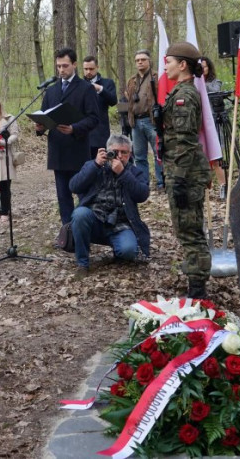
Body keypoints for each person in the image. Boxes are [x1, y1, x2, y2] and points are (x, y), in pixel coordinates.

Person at [162, 42, 212, 298]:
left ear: (182, 65)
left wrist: (180, 179)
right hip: (182, 172)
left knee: (191, 232)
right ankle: (195, 284)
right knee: (185, 229)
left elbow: (186, 140)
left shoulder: (184, 96)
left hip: (186, 174)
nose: (165, 65)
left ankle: (198, 294)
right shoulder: (180, 92)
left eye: (168, 61)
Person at [69, 134, 150, 278]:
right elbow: (74, 186)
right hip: (95, 219)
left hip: (121, 223)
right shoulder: (94, 165)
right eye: (115, 152)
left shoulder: (134, 172)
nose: (119, 156)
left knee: (129, 251)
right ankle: (82, 263)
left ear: (129, 154)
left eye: (124, 152)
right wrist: (95, 165)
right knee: (80, 214)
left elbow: (142, 195)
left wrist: (123, 173)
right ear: (107, 152)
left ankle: (118, 249)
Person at [34, 47, 100, 227]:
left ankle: (84, 229)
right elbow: (45, 115)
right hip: (57, 150)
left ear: (74, 65)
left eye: (65, 66)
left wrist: (74, 128)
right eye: (58, 66)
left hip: (78, 149)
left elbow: (94, 118)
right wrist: (40, 127)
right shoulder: (51, 91)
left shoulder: (86, 88)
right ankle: (67, 232)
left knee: (82, 194)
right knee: (62, 196)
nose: (61, 70)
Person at [125, 49, 164, 189]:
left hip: (151, 120)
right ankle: (143, 183)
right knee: (140, 156)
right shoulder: (132, 80)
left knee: (158, 153)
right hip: (136, 122)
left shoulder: (156, 77)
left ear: (149, 61)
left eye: (143, 59)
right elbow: (128, 99)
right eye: (137, 60)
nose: (140, 62)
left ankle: (161, 183)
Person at [201, 56, 227, 199]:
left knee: (217, 159)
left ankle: (223, 186)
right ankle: (206, 188)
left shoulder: (215, 83)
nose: (202, 70)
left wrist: (199, 83)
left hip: (214, 124)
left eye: (204, 67)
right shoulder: (192, 84)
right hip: (200, 125)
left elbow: (213, 92)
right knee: (203, 159)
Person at [82, 55, 118, 159]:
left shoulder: (107, 83)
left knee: (101, 166)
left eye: (91, 69)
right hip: (83, 133)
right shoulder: (78, 84)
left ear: (97, 67)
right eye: (86, 69)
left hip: (100, 133)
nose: (88, 71)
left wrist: (100, 89)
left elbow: (113, 101)